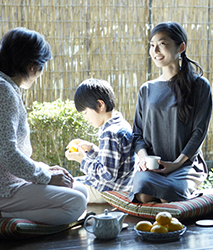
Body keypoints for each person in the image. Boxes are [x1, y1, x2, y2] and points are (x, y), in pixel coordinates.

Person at [0, 27, 87, 225]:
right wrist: (46, 177)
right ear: (31, 65)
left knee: (79, 188)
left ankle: (1, 213)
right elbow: (6, 153)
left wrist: (45, 169)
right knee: (76, 202)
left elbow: (8, 152)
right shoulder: (1, 90)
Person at [129, 21, 212, 203]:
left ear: (180, 47)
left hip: (185, 165)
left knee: (171, 194)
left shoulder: (200, 86)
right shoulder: (147, 89)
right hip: (153, 167)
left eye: (162, 44)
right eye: (152, 45)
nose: (155, 51)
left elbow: (199, 133)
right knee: (143, 194)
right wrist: (144, 159)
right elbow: (137, 134)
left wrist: (176, 164)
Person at [65, 79, 136, 203]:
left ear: (100, 105)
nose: (86, 118)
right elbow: (114, 161)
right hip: (122, 187)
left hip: (109, 191)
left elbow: (106, 176)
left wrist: (82, 159)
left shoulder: (109, 133)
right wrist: (92, 149)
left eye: (86, 112)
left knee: (64, 188)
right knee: (71, 181)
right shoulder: (120, 124)